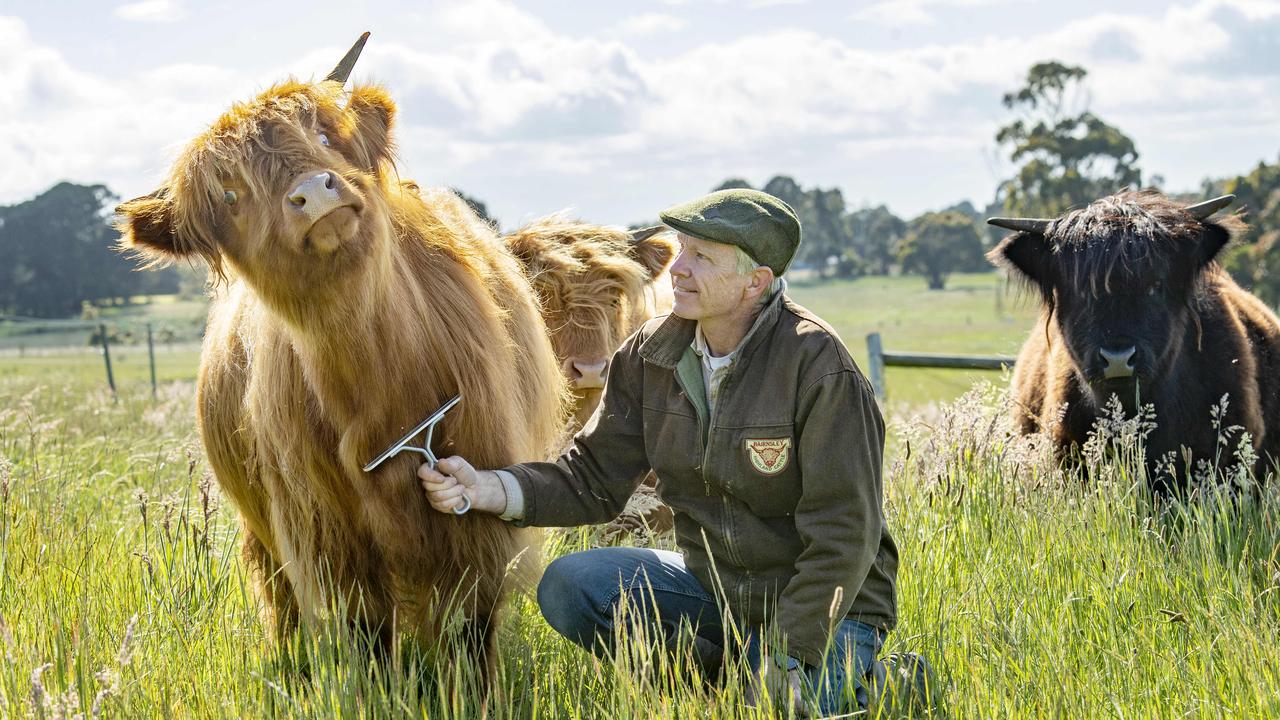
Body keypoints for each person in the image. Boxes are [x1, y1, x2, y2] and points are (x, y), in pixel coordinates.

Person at [419, 189, 898, 714]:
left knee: (781, 708)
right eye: (683, 249)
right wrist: (488, 487)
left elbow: (845, 533)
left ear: (755, 283)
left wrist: (788, 654)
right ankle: (729, 679)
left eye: (702, 258)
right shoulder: (651, 353)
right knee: (571, 586)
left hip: (827, 609)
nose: (679, 270)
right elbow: (591, 481)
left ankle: (882, 680)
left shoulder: (820, 367)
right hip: (718, 590)